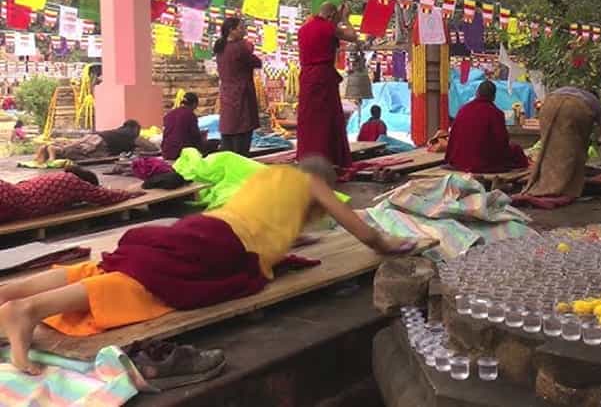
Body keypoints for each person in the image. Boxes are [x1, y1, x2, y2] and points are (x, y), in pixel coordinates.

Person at [0, 157, 415, 374]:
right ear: (322, 180)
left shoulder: (267, 176)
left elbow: (253, 220)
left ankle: (14, 292)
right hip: (221, 247)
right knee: (146, 284)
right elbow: (361, 229)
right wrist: (387, 244)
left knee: (123, 262)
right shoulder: (312, 184)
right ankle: (29, 311)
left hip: (202, 228)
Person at [521, 87, 601, 199]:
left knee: (549, 149)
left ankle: (541, 184)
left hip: (549, 103)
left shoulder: (570, 91)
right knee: (575, 151)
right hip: (576, 108)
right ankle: (563, 189)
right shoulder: (597, 105)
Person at [296, 2, 359, 168]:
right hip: (323, 77)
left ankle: (306, 156)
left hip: (306, 78)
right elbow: (353, 36)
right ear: (331, 16)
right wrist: (345, 18)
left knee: (309, 120)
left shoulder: (304, 29)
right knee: (327, 120)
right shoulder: (328, 28)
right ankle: (329, 158)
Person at [0, 165, 142, 224]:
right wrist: (128, 193)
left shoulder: (54, 177)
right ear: (86, 182)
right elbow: (105, 196)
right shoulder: (72, 182)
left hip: (10, 194)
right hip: (12, 202)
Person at [444, 81, 528, 174]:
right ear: (493, 97)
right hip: (484, 162)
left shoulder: (463, 109)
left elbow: (453, 137)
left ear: (477, 93)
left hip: (459, 160)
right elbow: (502, 142)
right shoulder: (496, 113)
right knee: (516, 150)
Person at [214, 17, 262, 157]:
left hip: (226, 93)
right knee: (243, 131)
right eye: (241, 28)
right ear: (232, 30)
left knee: (229, 130)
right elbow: (257, 62)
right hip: (242, 93)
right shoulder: (240, 47)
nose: (245, 31)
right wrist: (248, 47)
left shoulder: (220, 48)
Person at [34, 120, 144, 164]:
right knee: (83, 153)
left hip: (97, 136)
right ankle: (56, 150)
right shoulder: (131, 136)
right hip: (103, 144)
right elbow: (149, 147)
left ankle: (51, 149)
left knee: (78, 144)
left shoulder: (120, 131)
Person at [161, 93, 211, 160]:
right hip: (179, 153)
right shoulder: (190, 115)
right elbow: (195, 137)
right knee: (213, 144)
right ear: (194, 104)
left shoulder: (170, 114)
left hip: (166, 152)